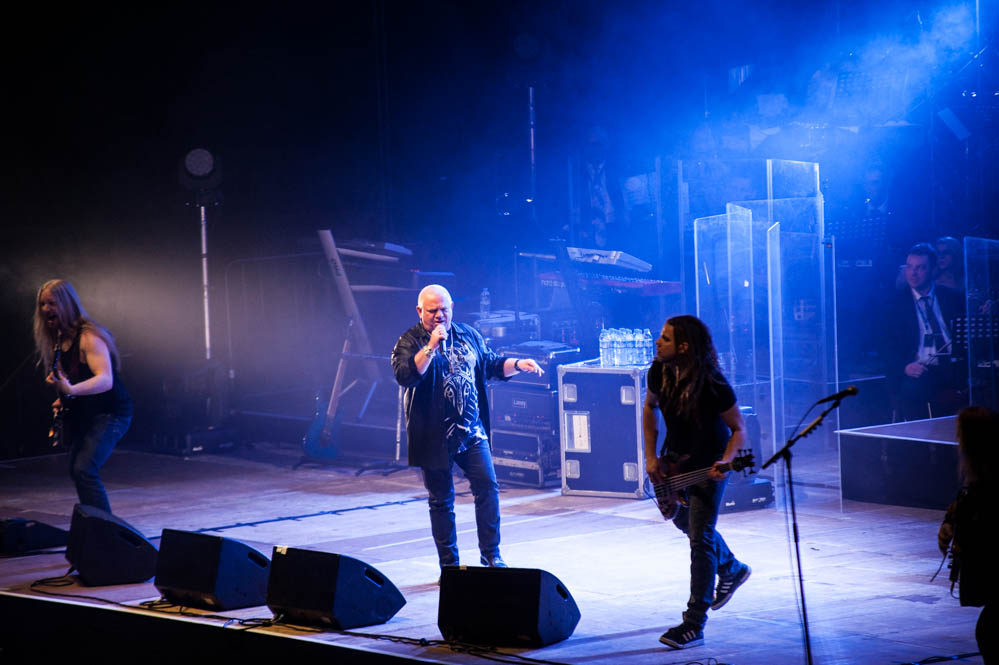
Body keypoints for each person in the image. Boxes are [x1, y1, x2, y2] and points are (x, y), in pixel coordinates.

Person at [391, 284, 543, 575]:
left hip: (471, 432)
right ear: (420, 311)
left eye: (444, 309)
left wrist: (518, 364)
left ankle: (492, 557)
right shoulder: (409, 340)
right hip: (434, 436)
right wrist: (432, 346)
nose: (439, 316)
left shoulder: (468, 334)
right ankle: (449, 566)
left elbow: (490, 364)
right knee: (441, 500)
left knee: (488, 487)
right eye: (432, 310)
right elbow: (406, 375)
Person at [642, 314, 751, 649]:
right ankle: (731, 567)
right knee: (684, 523)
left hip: (709, 465)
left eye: (665, 338)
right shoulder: (658, 370)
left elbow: (739, 429)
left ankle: (693, 624)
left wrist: (726, 462)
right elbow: (650, 410)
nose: (657, 342)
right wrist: (651, 456)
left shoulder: (713, 383)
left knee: (700, 538)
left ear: (684, 346)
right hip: (673, 461)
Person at [33, 280, 133, 514]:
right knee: (78, 470)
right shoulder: (59, 338)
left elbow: (105, 380)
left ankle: (105, 530)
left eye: (52, 303)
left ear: (66, 304)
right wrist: (63, 395)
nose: (46, 309)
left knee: (84, 469)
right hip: (88, 413)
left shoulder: (89, 337)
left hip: (112, 413)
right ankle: (95, 524)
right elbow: (76, 377)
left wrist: (71, 390)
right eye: (42, 304)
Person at [937, 406, 997, 663]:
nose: (957, 440)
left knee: (990, 632)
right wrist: (951, 520)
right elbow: (967, 497)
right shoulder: (979, 474)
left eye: (960, 434)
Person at [883, 243, 966, 421]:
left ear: (933, 270)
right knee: (912, 391)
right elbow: (884, 346)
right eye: (910, 267)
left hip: (955, 366)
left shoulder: (953, 297)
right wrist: (904, 367)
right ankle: (919, 445)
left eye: (920, 268)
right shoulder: (894, 304)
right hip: (920, 368)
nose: (913, 273)